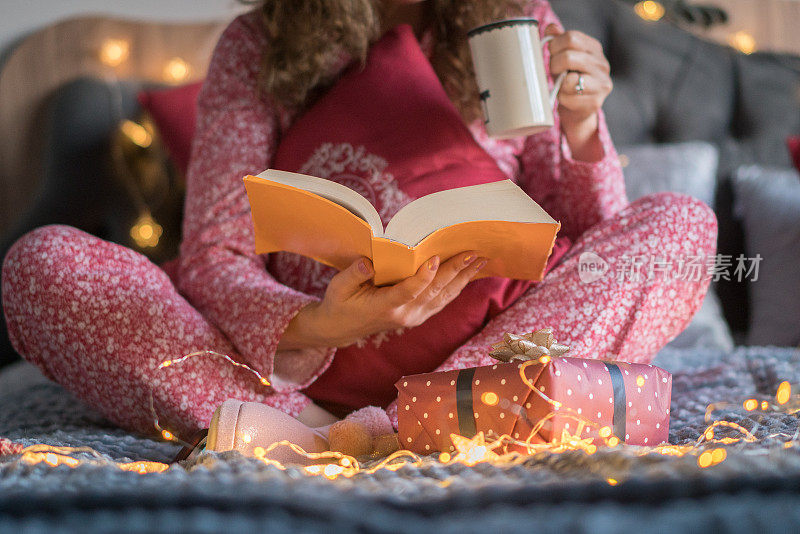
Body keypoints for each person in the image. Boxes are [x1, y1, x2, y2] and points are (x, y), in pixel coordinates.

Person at [1, 0, 716, 447]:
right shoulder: (258, 45)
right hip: (289, 382)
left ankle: (414, 420)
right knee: (42, 265)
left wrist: (585, 129)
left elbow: (596, 239)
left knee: (682, 227)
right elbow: (216, 255)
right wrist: (320, 325)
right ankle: (330, 428)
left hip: (496, 357)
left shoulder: (521, 21)